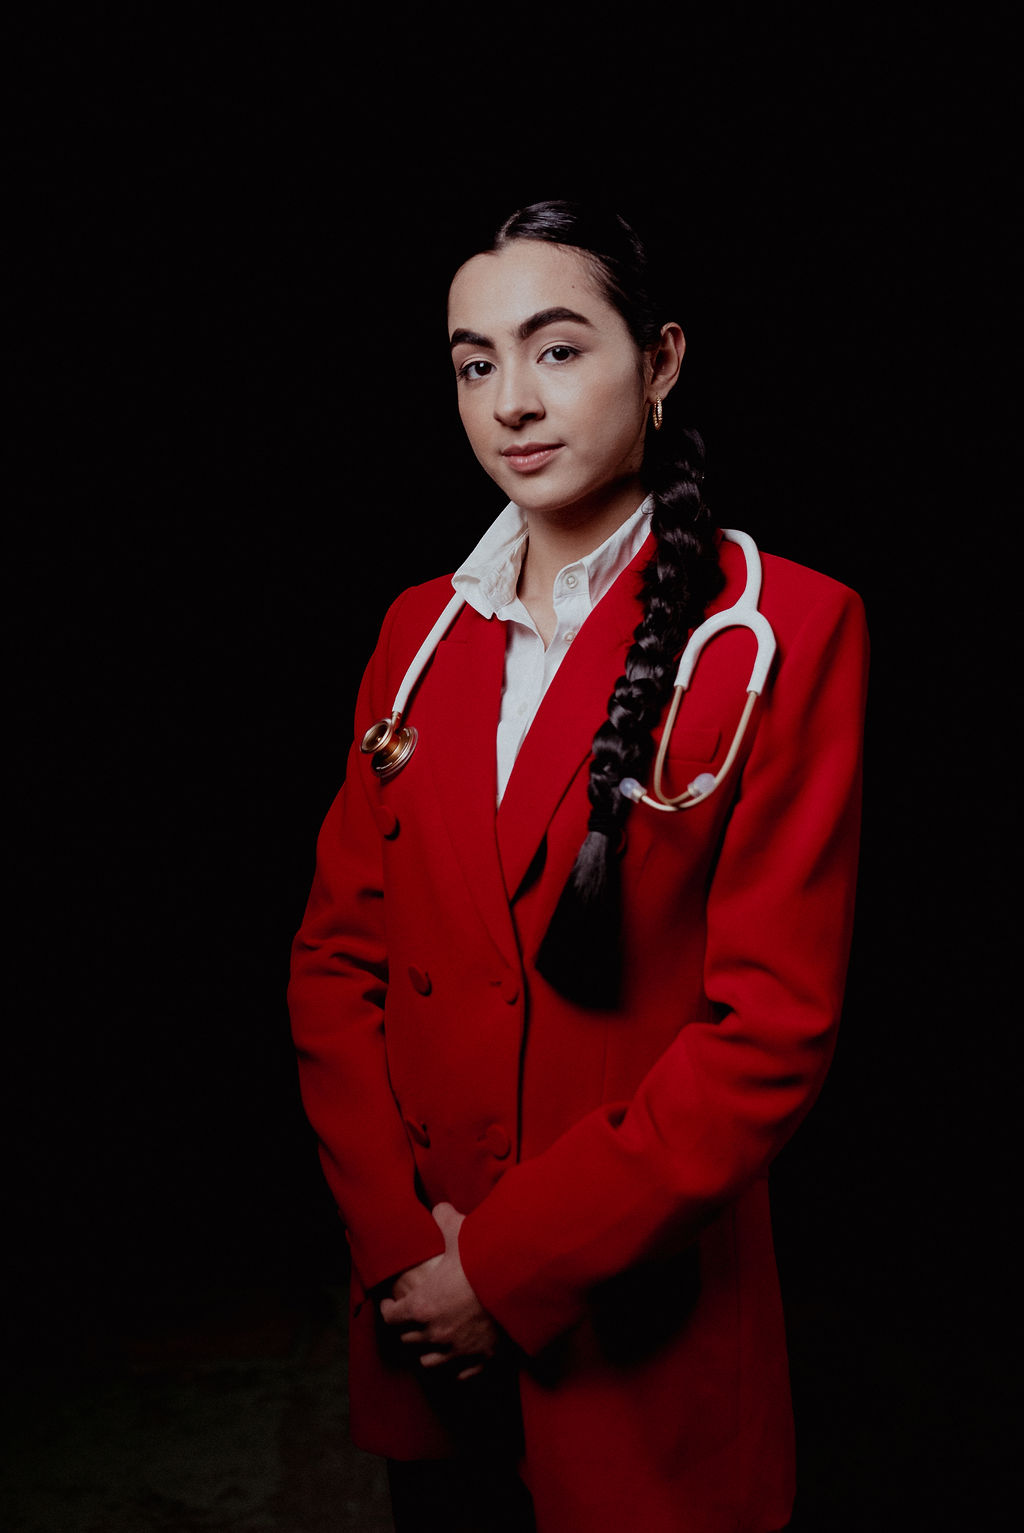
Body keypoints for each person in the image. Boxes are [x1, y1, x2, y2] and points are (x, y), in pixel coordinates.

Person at [288, 200, 869, 1533]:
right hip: (422, 1319)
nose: (511, 401)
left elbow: (770, 1034)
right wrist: (403, 1255)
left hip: (635, 1334)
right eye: (474, 362)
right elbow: (334, 964)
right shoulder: (416, 634)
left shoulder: (779, 630)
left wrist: (501, 1270)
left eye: (556, 349)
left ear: (660, 361)